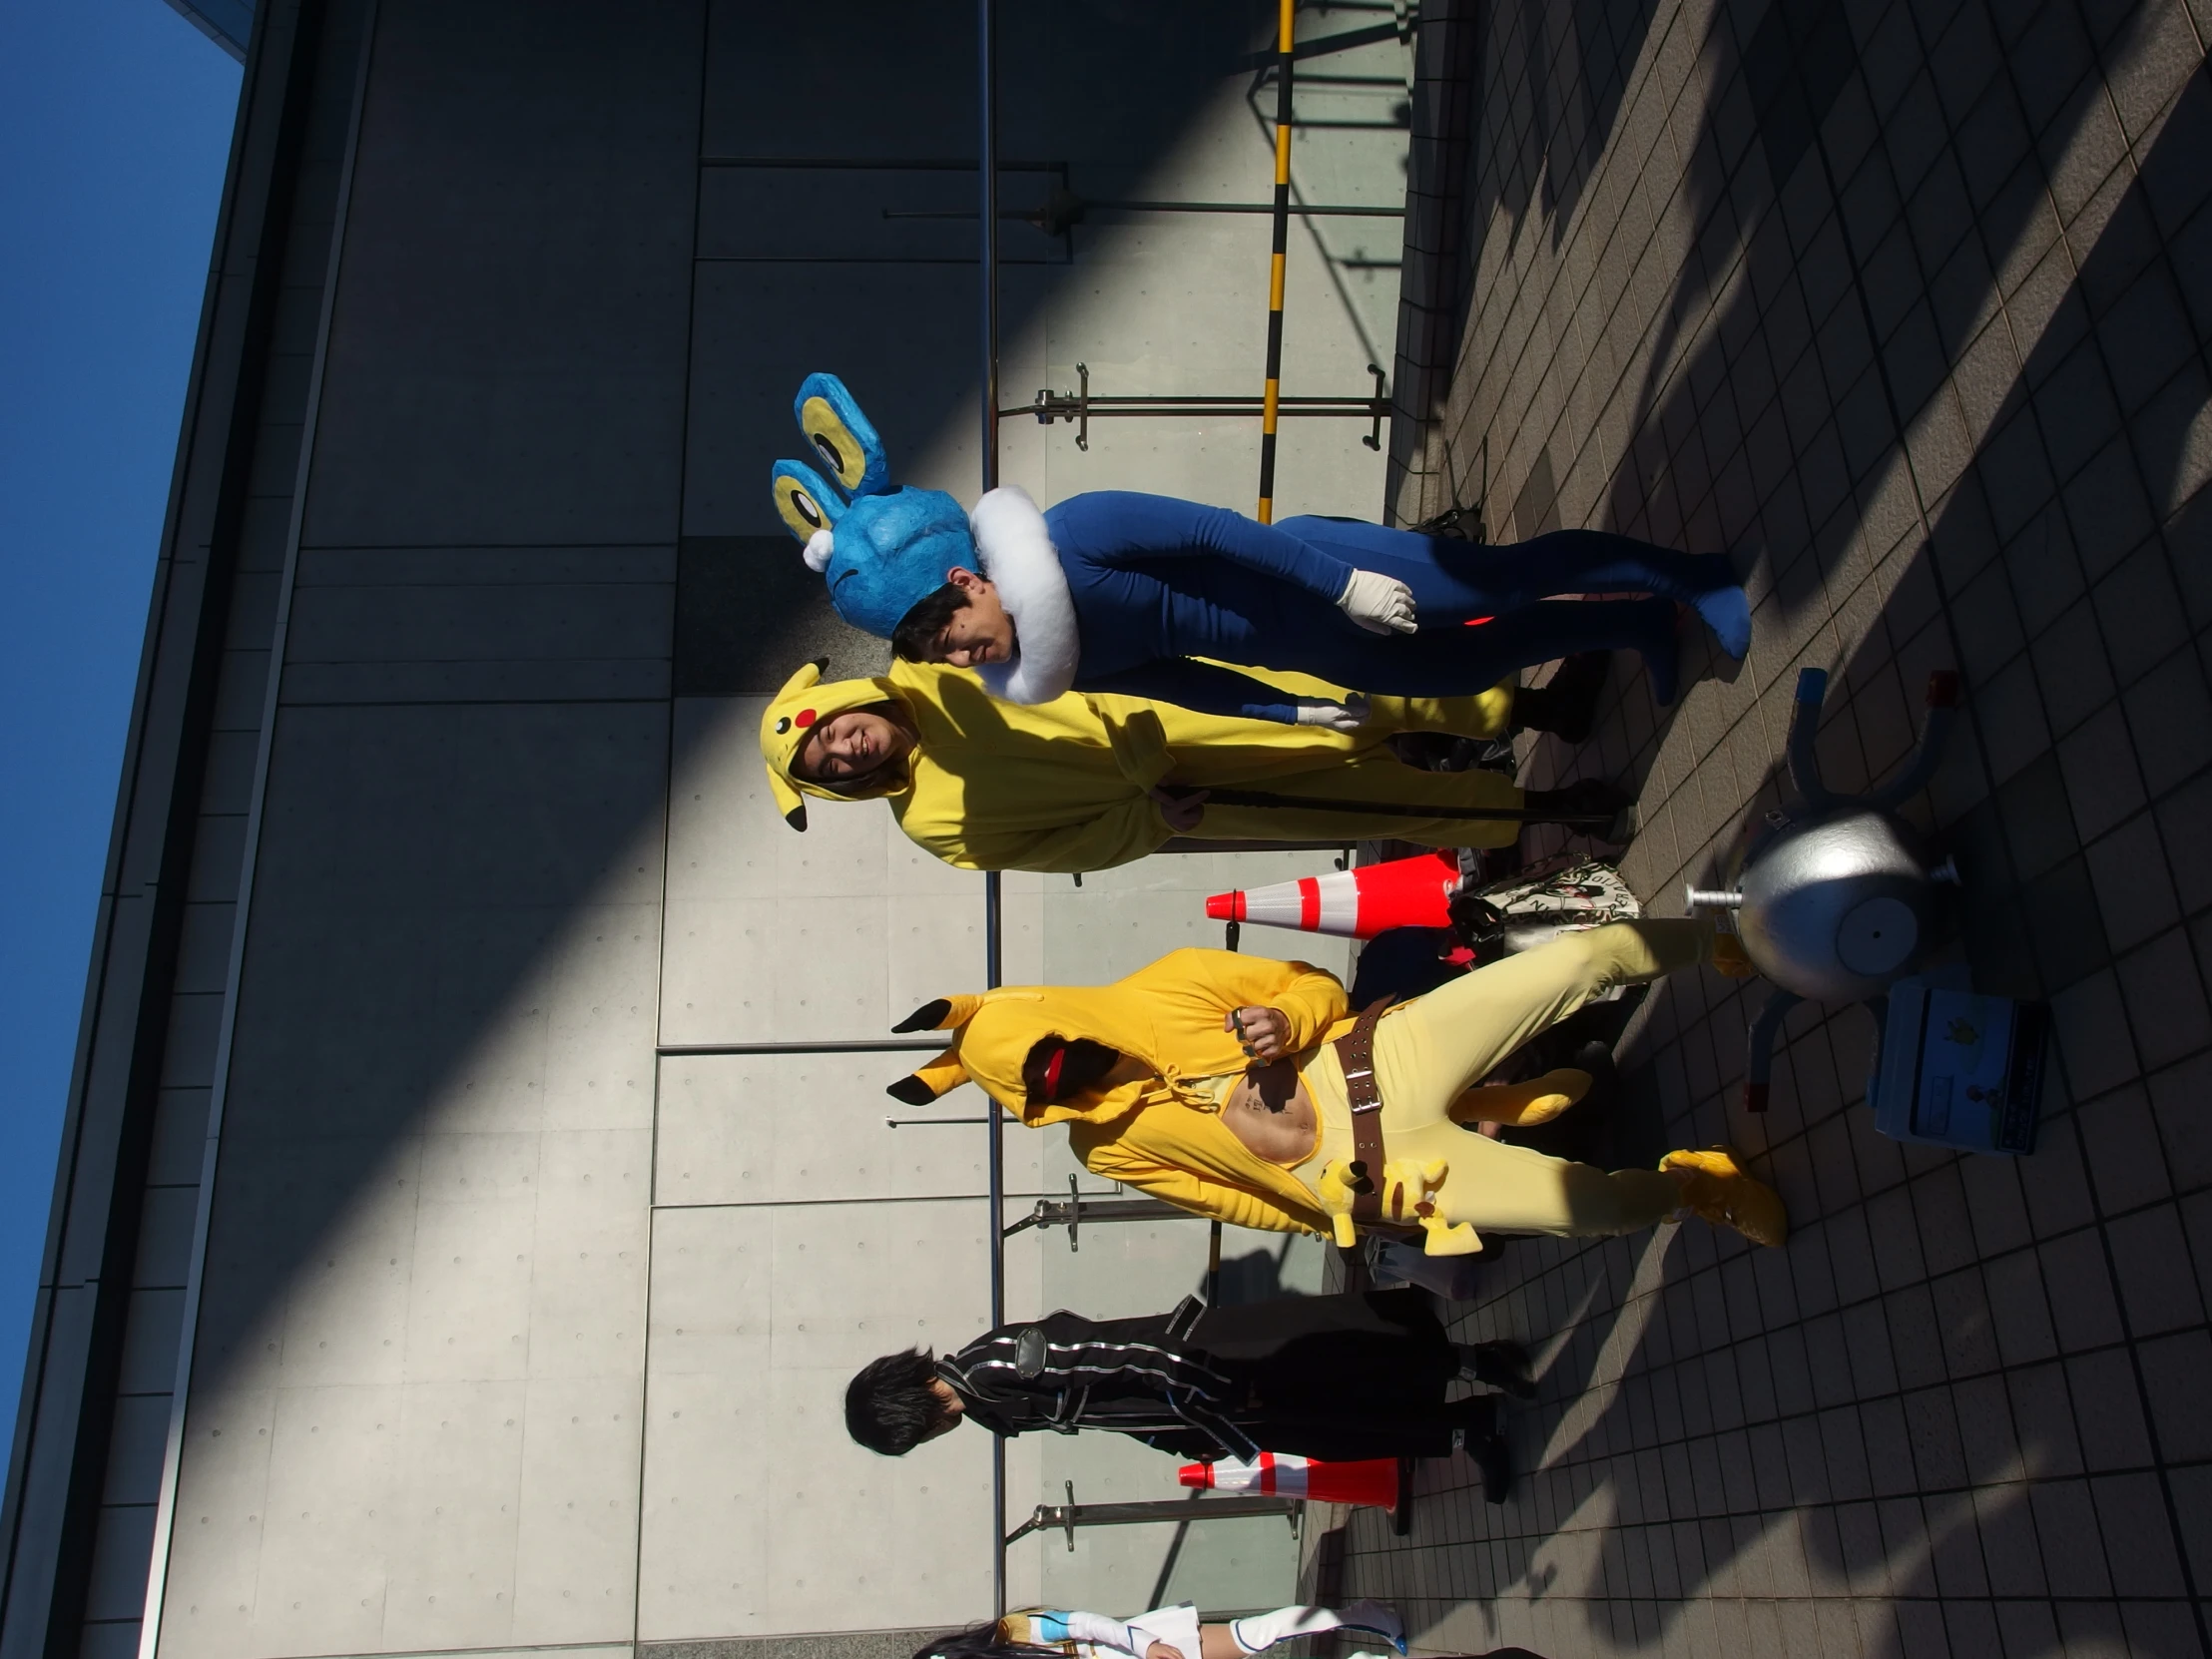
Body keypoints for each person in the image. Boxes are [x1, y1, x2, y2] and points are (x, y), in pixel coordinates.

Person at [769, 373, 1750, 721]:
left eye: (947, 631)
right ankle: (1632, 627)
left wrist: (1348, 583)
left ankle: (1686, 575)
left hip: (1325, 577)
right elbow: (1178, 681)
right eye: (939, 655)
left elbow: (1219, 534)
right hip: (1312, 648)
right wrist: (1286, 712)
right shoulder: (1052, 663)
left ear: (962, 577)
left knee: (1492, 581)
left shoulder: (1069, 535)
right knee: (1472, 662)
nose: (957, 653)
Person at [881, 922, 1788, 1251]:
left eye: (1062, 1052)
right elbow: (1232, 1203)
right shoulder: (1103, 1144)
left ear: (1062, 1017)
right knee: (1587, 1211)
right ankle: (1695, 1182)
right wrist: (1340, 1217)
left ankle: (1731, 940)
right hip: (1379, 1168)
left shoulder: (1161, 985)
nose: (1074, 1076)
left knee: (1587, 959)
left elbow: (1312, 985)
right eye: (1047, 1086)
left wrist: (1291, 1020)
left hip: (1376, 1058)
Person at [759, 657, 1629, 873]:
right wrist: (1149, 820)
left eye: (831, 732)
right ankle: (1551, 807)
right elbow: (1064, 849)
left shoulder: (932, 665)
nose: (842, 750)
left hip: (1183, 700)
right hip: (1190, 793)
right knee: (1373, 807)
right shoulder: (934, 826)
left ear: (843, 704)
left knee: (1366, 696)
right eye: (826, 767)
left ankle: (1542, 707)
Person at [843, 1290, 1527, 1498]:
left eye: (920, 1431)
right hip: (1200, 1409)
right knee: (1336, 1428)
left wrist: (1209, 1390)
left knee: (1345, 1354)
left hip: (1215, 1364)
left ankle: (1474, 1363)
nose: (935, 1437)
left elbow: (1118, 1353)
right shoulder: (988, 1402)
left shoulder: (994, 1366)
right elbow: (1106, 1407)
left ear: (915, 1407)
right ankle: (1468, 1427)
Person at [911, 1598, 1406, 1659]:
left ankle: (1368, 1617)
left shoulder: (1010, 1633)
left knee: (1254, 1635)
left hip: (1149, 1653)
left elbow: (1084, 1623)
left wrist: (1146, 1646)